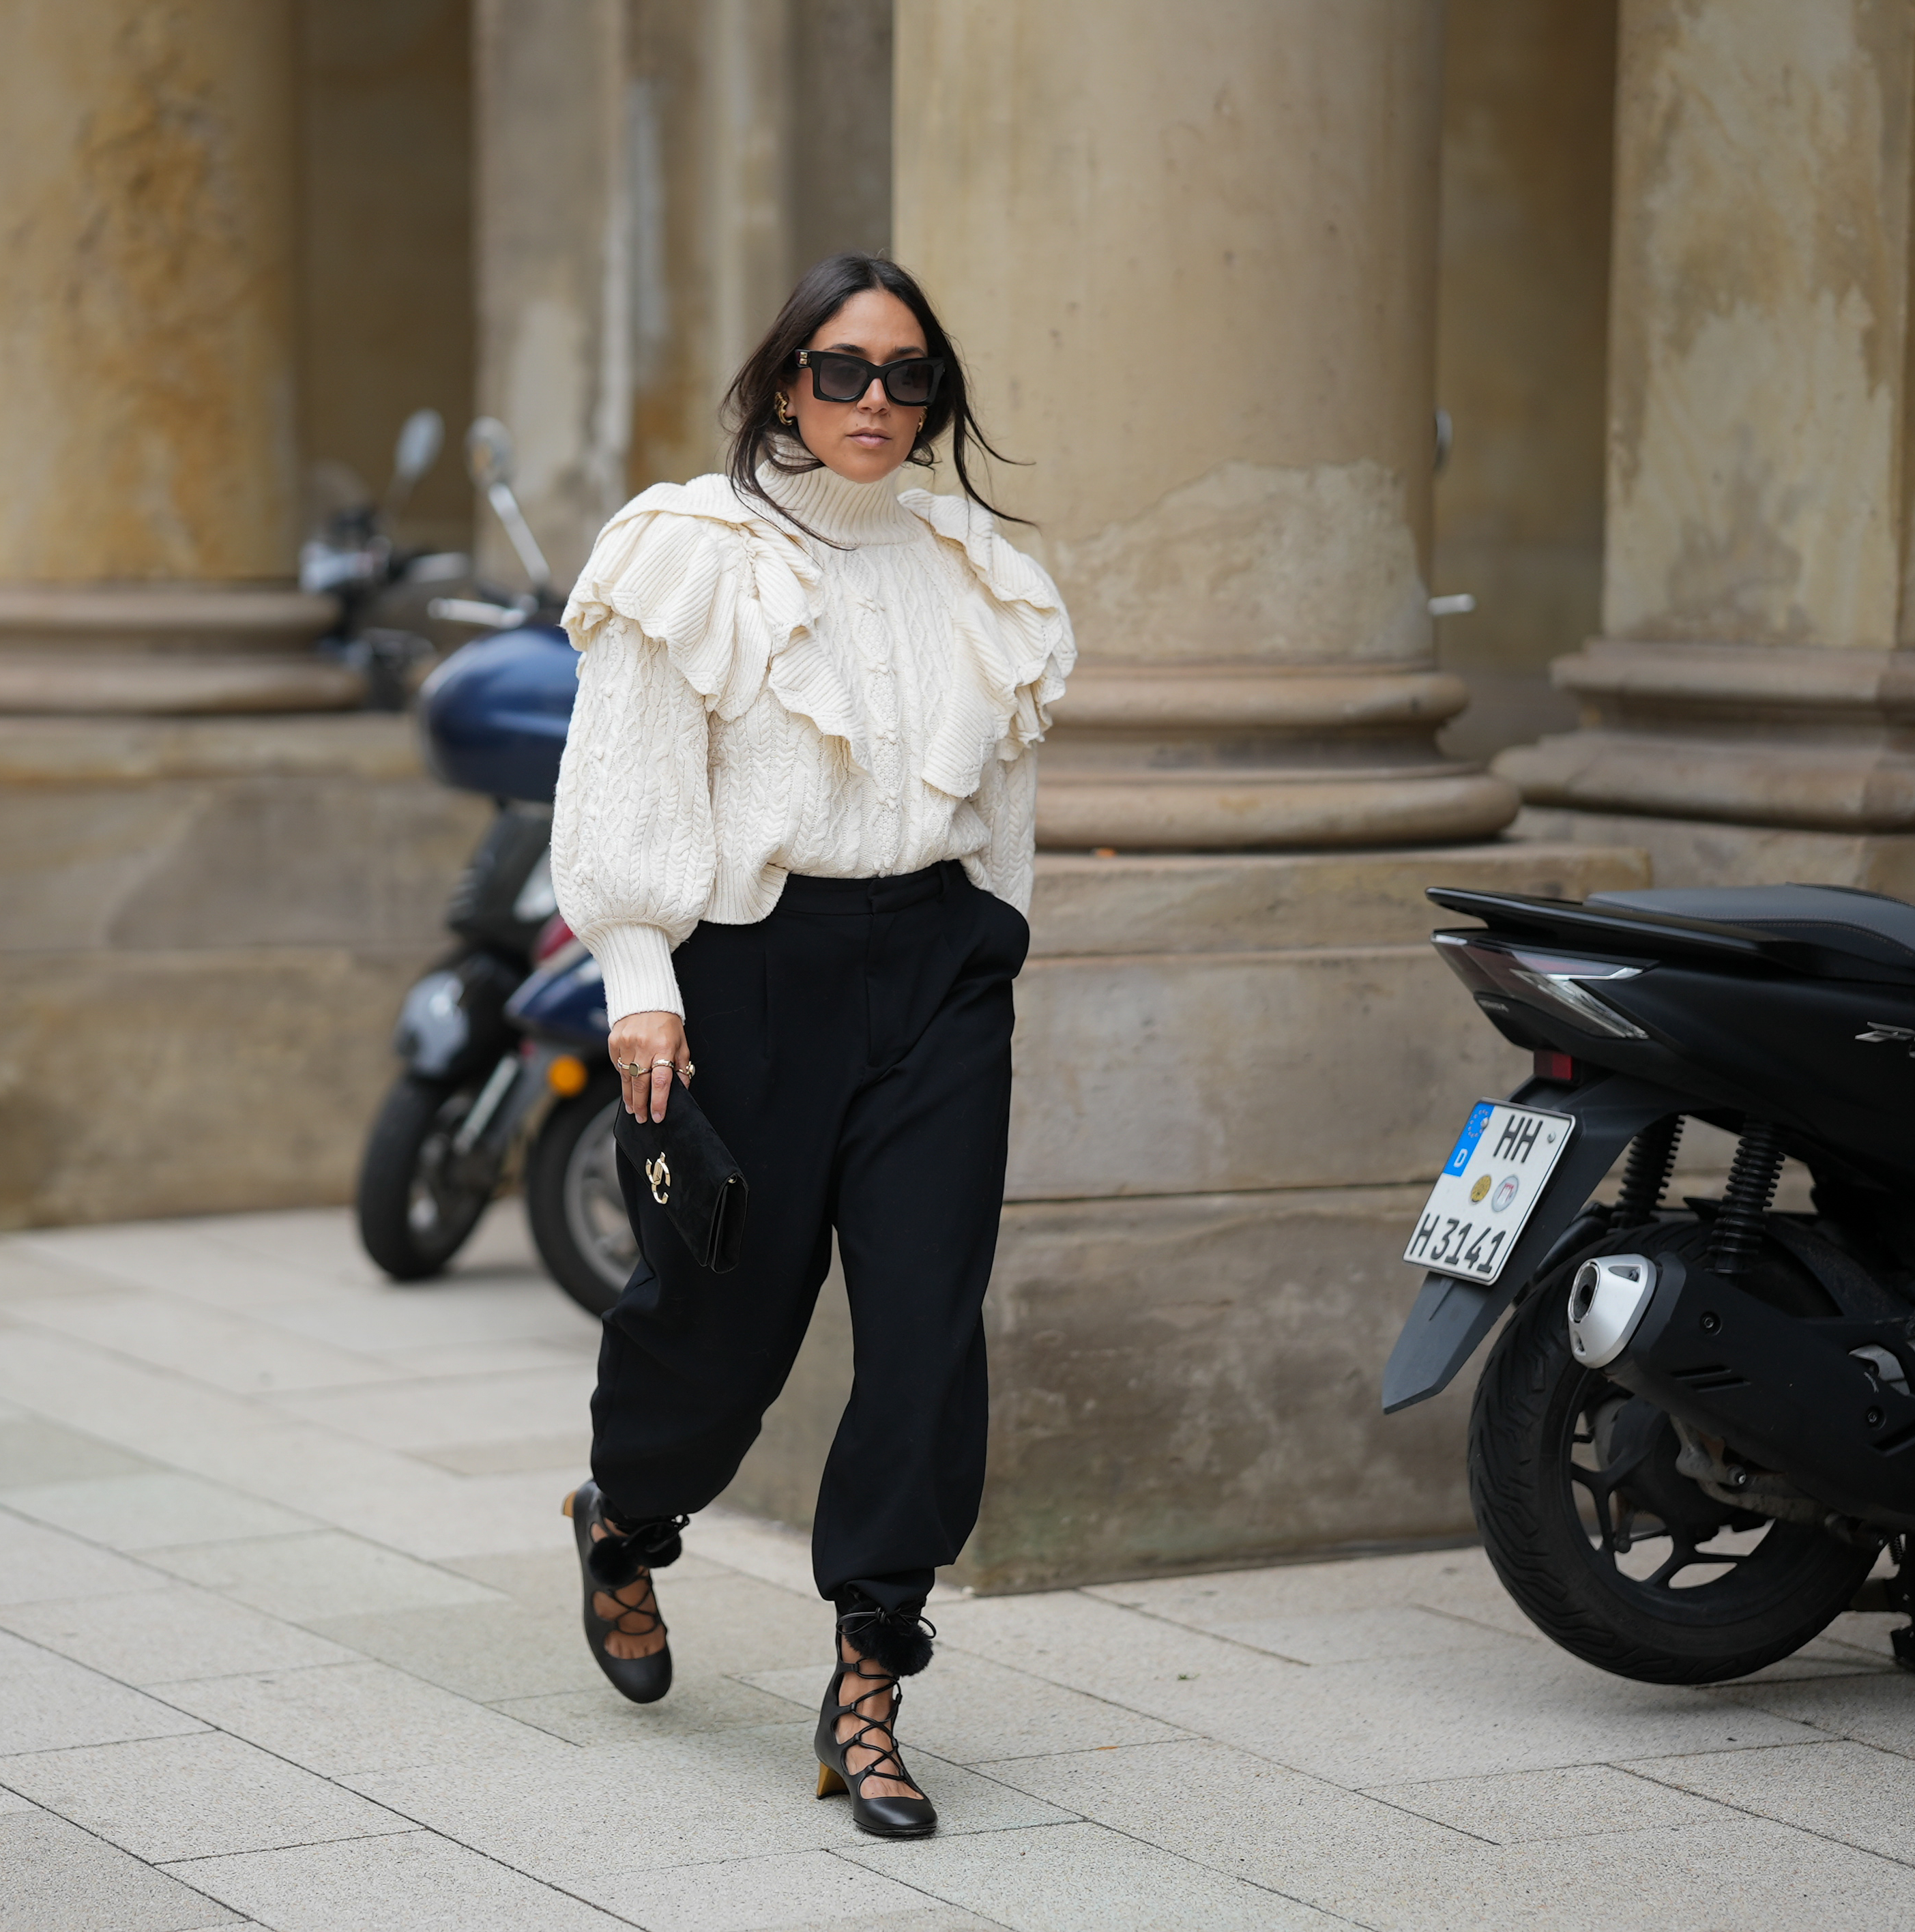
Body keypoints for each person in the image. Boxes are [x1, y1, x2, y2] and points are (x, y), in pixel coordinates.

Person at [548, 252, 1074, 1839]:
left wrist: (988, 947)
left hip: (932, 976)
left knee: (926, 1331)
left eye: (907, 376)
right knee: (720, 1324)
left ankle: (867, 1682)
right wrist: (639, 976)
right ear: (785, 383)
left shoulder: (971, 565)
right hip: (743, 983)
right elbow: (625, 779)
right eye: (840, 372)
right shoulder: (690, 551)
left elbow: (999, 808)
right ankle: (626, 1518)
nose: (873, 404)